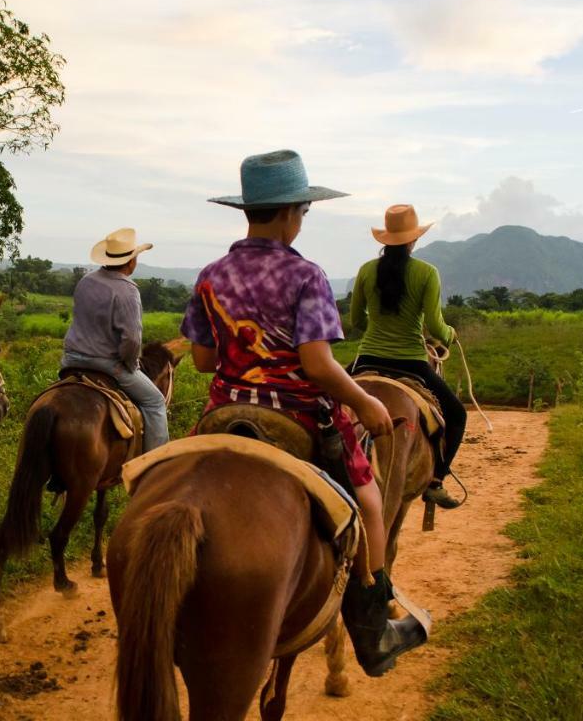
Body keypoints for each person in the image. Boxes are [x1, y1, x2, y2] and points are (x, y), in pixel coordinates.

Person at [181, 149, 427, 677]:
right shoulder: (306, 275)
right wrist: (365, 400)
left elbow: (203, 360)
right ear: (293, 212)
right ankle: (374, 627)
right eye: (304, 212)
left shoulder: (210, 274)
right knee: (369, 501)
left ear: (248, 212)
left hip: (224, 411)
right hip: (296, 412)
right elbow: (317, 365)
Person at [349, 205, 467, 509]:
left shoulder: (365, 271)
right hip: (412, 363)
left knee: (321, 402)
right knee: (456, 415)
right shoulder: (427, 273)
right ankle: (436, 481)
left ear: (386, 239)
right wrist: (450, 334)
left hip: (367, 360)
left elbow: (357, 321)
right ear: (413, 240)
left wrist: (374, 328)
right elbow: (435, 324)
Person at [61, 228, 169, 452]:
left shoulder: (86, 281)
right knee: (155, 402)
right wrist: (130, 365)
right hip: (105, 364)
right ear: (132, 261)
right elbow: (131, 340)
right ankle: (156, 464)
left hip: (70, 359)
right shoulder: (127, 291)